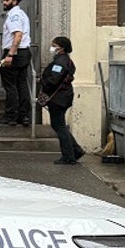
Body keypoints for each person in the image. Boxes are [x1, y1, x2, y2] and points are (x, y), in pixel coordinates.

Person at [40, 36, 86, 165]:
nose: (52, 47)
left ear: (62, 47)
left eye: (54, 45)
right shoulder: (64, 60)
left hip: (58, 98)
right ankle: (75, 150)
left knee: (59, 126)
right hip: (62, 97)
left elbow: (53, 80)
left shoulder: (60, 62)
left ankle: (69, 156)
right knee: (59, 125)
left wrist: (42, 81)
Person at [0, 0, 32, 126]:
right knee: (21, 84)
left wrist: (10, 54)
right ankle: (23, 116)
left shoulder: (13, 15)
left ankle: (11, 115)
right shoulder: (22, 14)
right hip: (24, 52)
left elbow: (17, 35)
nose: (4, 3)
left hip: (15, 53)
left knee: (10, 85)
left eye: (7, 0)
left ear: (14, 1)